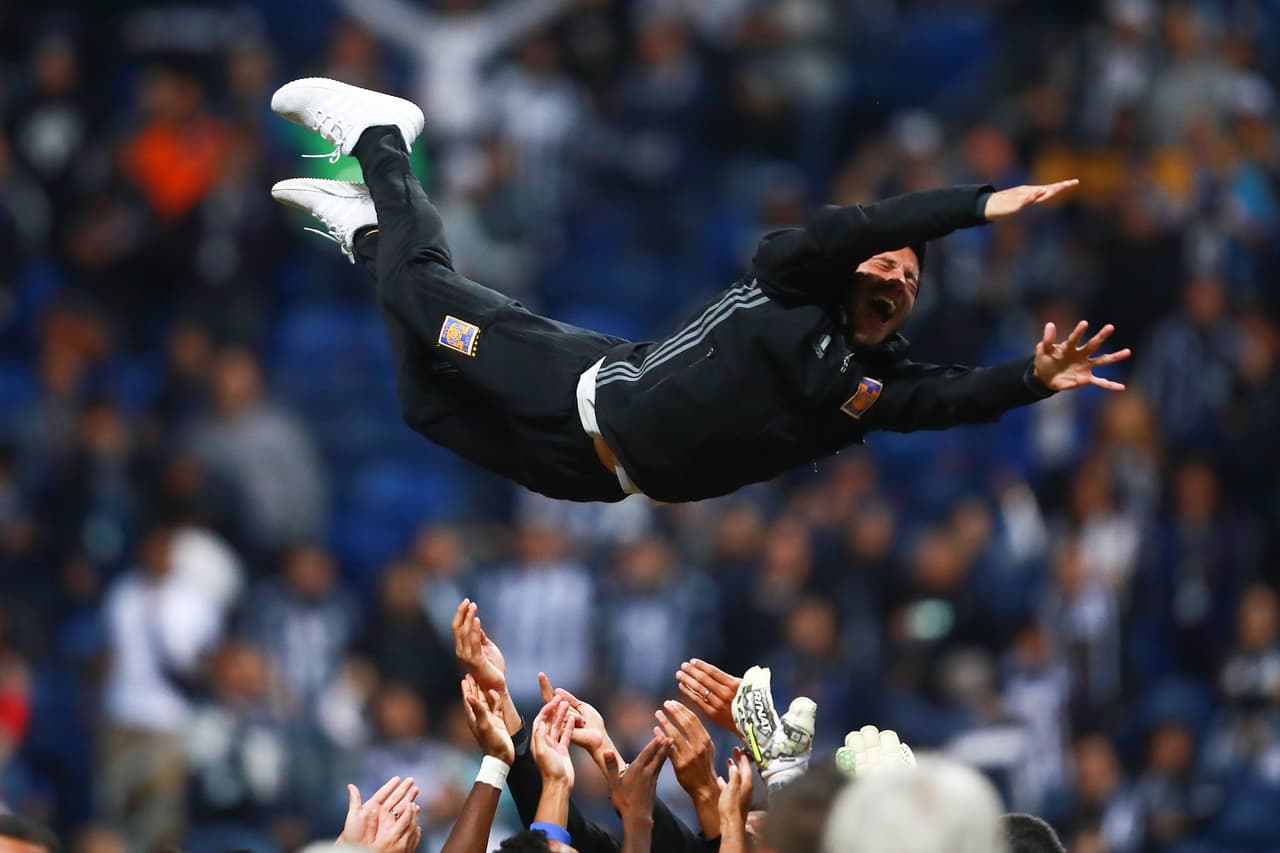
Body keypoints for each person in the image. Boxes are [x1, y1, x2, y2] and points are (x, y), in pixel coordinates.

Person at [269, 78, 1131, 505]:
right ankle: (385, 135)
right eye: (889, 261)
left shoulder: (863, 392)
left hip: (600, 477)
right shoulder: (796, 284)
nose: (897, 274)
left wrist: (1032, 378)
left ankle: (374, 234)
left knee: (424, 405)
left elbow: (951, 398)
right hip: (575, 386)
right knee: (425, 304)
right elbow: (854, 228)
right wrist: (974, 207)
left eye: (911, 276)